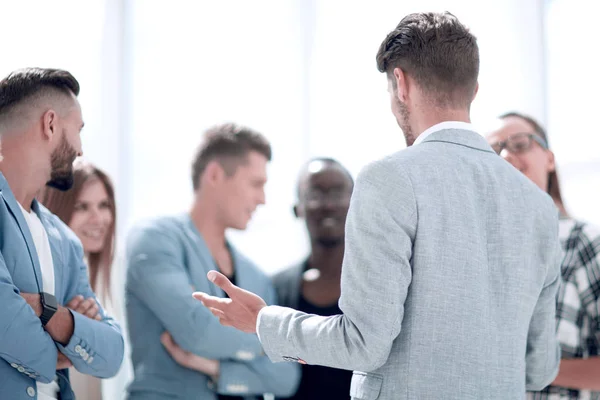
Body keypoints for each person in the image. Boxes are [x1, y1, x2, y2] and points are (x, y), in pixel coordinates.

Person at [193, 12, 563, 400]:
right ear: (473, 89)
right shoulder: (538, 206)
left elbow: (364, 344)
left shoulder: (389, 179)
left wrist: (263, 321)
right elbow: (539, 369)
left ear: (400, 84)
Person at [125, 123, 299, 399]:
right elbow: (197, 333)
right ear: (215, 175)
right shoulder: (155, 239)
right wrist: (270, 341)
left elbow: (286, 377)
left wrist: (216, 368)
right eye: (256, 184)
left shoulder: (256, 277)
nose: (263, 199)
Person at [0, 68, 124, 400]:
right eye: (78, 130)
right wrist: (68, 342)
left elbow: (112, 353)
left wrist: (47, 311)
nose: (81, 149)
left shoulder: (64, 239)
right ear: (51, 124)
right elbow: (5, 323)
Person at [487, 112, 600, 399]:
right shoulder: (483, 253)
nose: (505, 156)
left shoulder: (584, 242)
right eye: (493, 150)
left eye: (520, 143)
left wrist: (531, 367)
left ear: (549, 159)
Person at [272, 157, 354, 400]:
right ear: (297, 208)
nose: (328, 205)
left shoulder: (380, 287)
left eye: (338, 193)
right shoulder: (274, 290)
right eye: (315, 195)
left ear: (358, 204)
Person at [38, 160, 117, 400]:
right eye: (82, 207)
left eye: (103, 205)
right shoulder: (42, 269)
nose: (98, 218)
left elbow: (111, 354)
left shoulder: (101, 278)